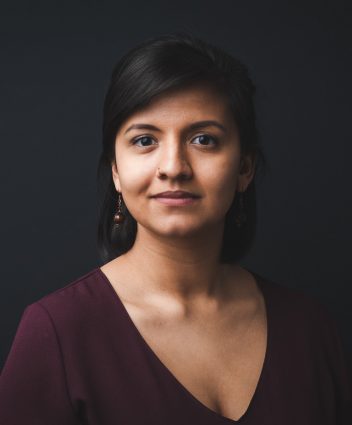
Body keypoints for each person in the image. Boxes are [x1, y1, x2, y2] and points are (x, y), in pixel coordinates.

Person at [0, 32, 351, 425]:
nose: (173, 167)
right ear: (116, 170)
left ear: (245, 167)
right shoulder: (57, 333)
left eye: (204, 139)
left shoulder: (309, 329)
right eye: (145, 140)